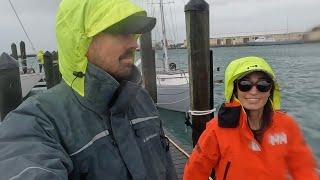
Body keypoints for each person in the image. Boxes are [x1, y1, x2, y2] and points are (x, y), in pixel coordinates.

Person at [0, 0, 177, 179]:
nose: (134, 44)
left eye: (133, 33)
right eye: (122, 31)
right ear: (81, 41)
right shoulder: (37, 122)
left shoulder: (141, 99)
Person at [183, 56, 318, 180]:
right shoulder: (216, 130)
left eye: (263, 85)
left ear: (271, 89)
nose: (254, 91)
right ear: (235, 90)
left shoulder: (287, 125)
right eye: (245, 85)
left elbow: (303, 168)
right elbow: (195, 171)